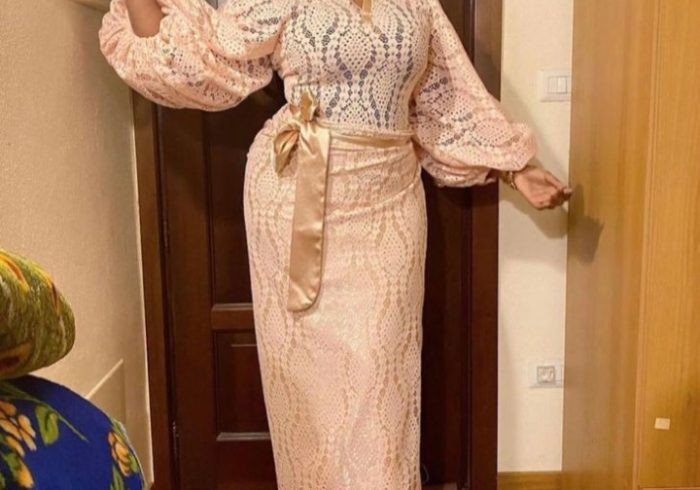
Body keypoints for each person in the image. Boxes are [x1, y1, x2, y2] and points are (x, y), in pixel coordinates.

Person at [99, 0, 572, 487]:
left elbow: (447, 98)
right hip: (296, 199)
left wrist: (516, 169)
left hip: (390, 203)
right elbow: (199, 58)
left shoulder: (418, 4)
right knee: (310, 390)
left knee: (381, 380)